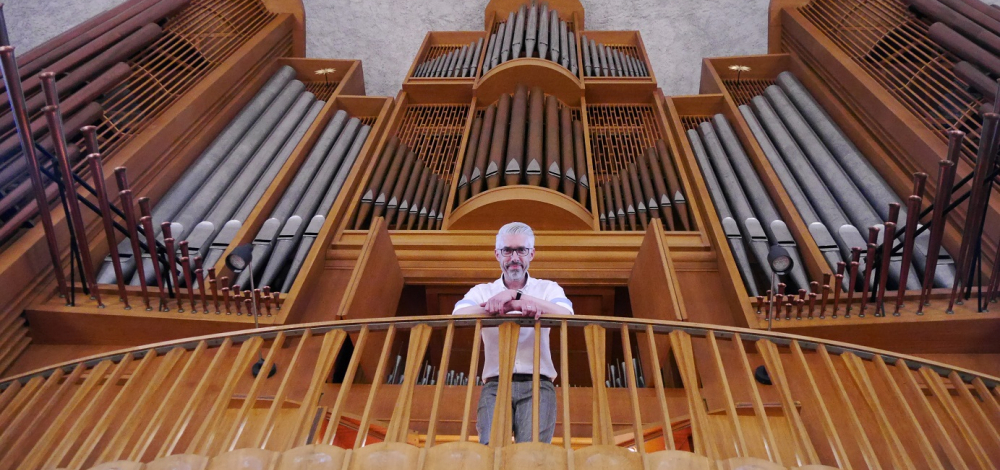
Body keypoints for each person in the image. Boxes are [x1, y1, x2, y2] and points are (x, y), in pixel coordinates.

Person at [452, 222, 573, 445]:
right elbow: (458, 313)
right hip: (495, 384)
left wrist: (515, 297)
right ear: (497, 254)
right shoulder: (483, 291)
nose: (514, 257)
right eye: (507, 250)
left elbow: (566, 312)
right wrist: (497, 306)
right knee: (490, 452)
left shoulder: (547, 288)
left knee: (531, 456)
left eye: (521, 250)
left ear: (532, 254)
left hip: (538, 383)